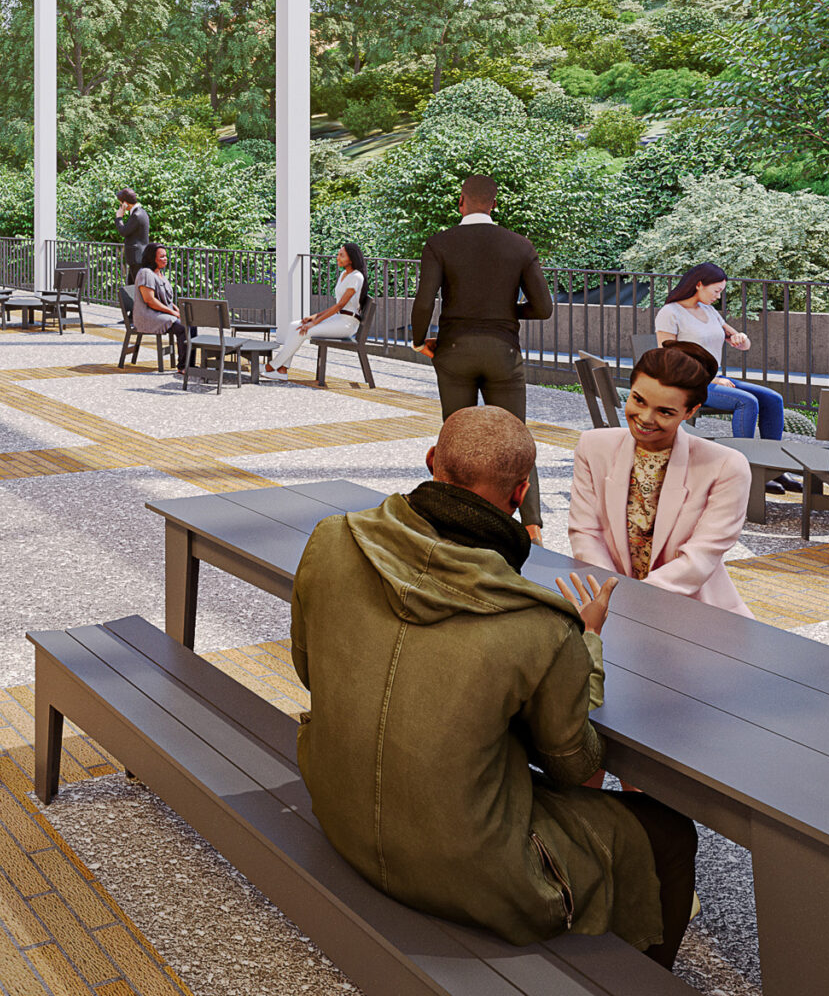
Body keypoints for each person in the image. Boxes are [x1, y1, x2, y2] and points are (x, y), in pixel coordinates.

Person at [290, 407, 698, 970]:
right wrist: (585, 643)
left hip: (340, 810)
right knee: (670, 831)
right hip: (467, 870)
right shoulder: (539, 622)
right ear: (522, 492)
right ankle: (641, 980)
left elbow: (311, 671)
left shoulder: (332, 540)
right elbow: (572, 764)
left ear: (432, 462)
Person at [409, 175, 553, 535]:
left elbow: (425, 301)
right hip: (503, 352)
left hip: (454, 351)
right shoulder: (520, 245)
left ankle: (453, 518)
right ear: (494, 204)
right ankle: (532, 524)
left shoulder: (440, 243)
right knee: (515, 436)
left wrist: (418, 341)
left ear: (461, 201)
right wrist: (505, 313)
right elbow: (543, 307)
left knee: (456, 437)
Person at [568, 342, 753, 615]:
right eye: (638, 400)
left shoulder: (726, 466)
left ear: (690, 412)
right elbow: (586, 534)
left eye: (665, 411)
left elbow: (700, 558)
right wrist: (611, 597)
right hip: (609, 606)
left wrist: (635, 601)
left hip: (695, 612)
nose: (645, 418)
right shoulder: (593, 446)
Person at [654, 263, 785, 442]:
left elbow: (742, 345)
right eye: (716, 291)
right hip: (687, 383)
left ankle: (771, 464)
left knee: (773, 399)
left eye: (721, 291)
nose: (719, 296)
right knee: (746, 402)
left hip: (714, 379)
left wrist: (741, 337)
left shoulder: (710, 311)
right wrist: (713, 379)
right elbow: (669, 359)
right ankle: (745, 462)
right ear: (699, 284)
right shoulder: (670, 312)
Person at [267, 241, 368, 376]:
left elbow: (340, 305)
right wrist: (314, 317)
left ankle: (272, 366)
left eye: (342, 255)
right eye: (338, 254)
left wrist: (314, 323)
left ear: (351, 258)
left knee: (302, 331)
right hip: (338, 318)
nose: (338, 257)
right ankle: (282, 370)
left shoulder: (356, 277)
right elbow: (337, 307)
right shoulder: (344, 274)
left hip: (346, 324)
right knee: (294, 325)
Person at [129, 243, 191, 362]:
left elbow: (165, 299)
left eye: (166, 256)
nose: (165, 259)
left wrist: (177, 309)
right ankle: (183, 365)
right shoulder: (146, 273)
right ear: (152, 258)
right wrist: (172, 313)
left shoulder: (159, 273)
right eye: (162, 257)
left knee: (191, 324)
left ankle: (190, 364)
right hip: (147, 316)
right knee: (183, 327)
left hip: (159, 313)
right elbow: (150, 300)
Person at [116, 188, 151, 315]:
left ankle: (141, 316)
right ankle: (131, 316)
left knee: (137, 289)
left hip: (137, 257)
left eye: (120, 203)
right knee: (131, 287)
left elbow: (124, 232)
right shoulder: (138, 212)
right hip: (135, 258)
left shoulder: (137, 214)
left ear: (125, 203)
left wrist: (119, 217)